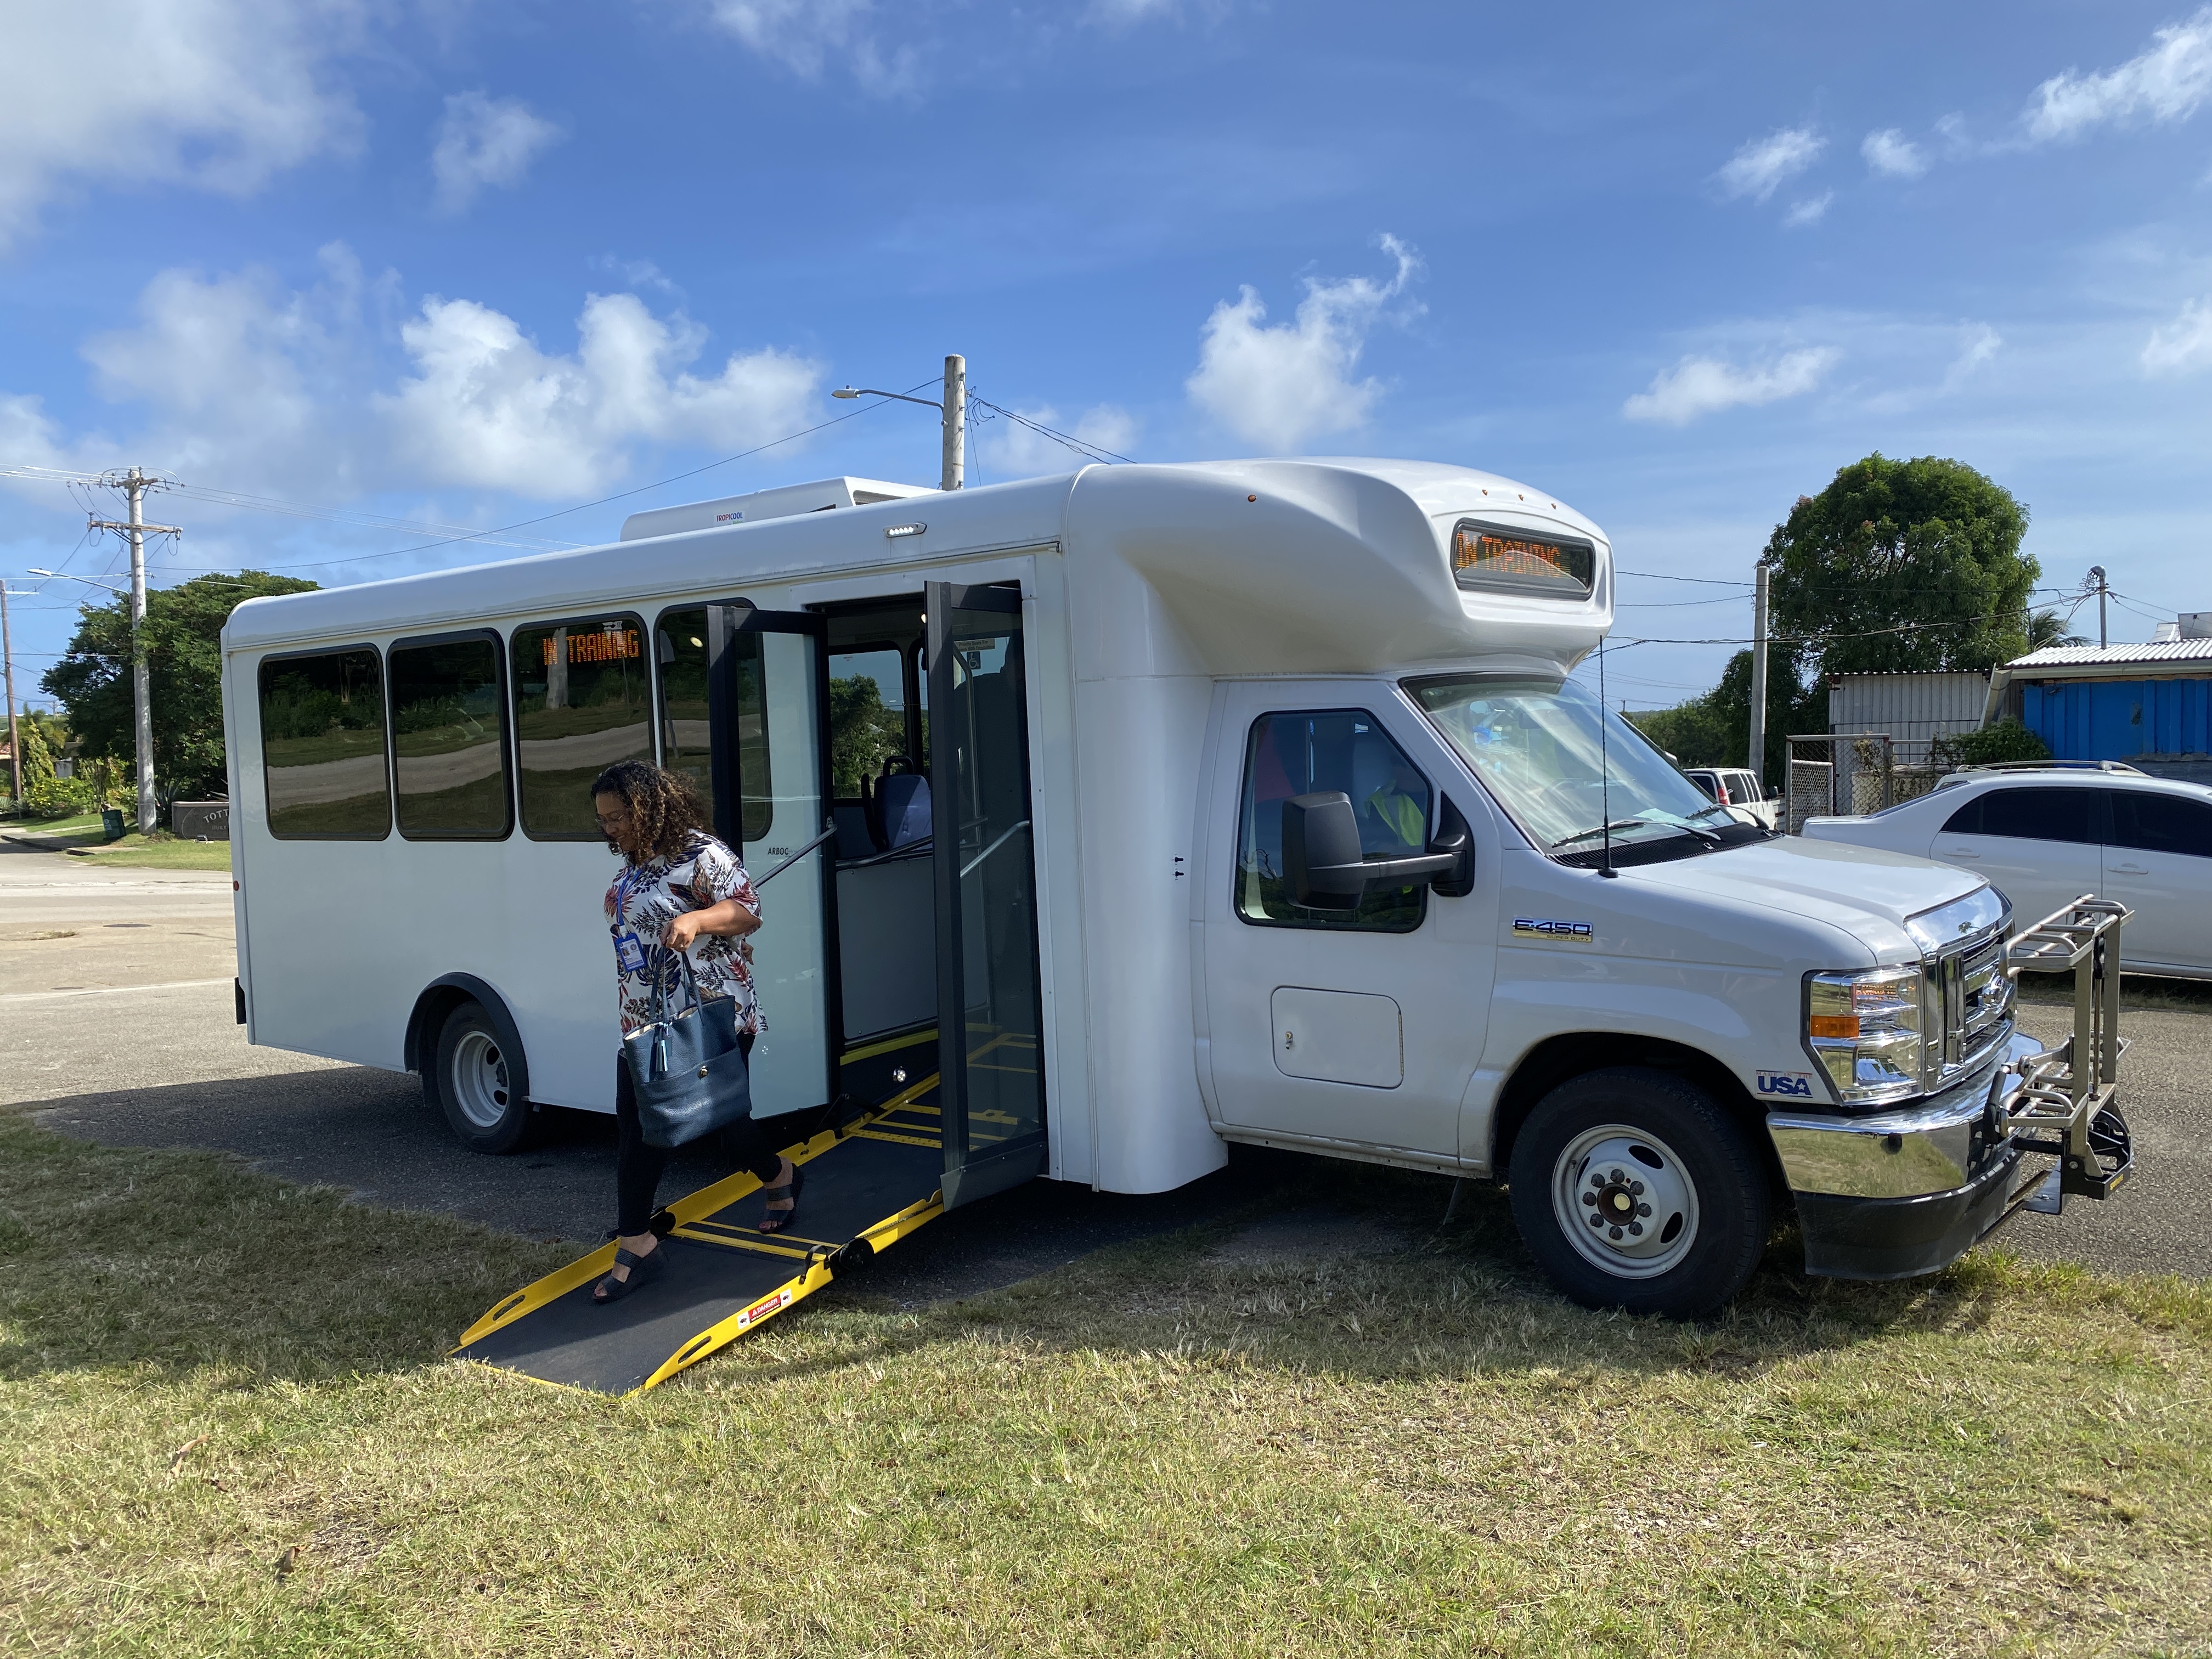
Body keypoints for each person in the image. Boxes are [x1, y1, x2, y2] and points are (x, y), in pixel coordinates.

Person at [589, 758, 800, 1305]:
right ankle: (636, 1239)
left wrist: (697, 920)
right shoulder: (635, 863)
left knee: (726, 1124)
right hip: (648, 1021)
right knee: (637, 1124)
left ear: (646, 806)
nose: (609, 830)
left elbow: (748, 911)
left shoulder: (700, 852)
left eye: (617, 817)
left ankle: (779, 1176)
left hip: (711, 1012)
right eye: (603, 820)